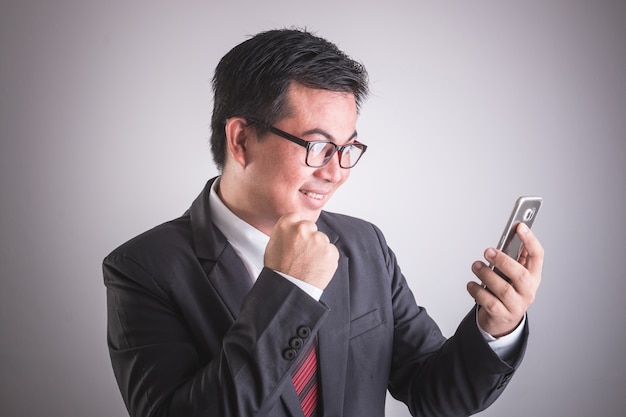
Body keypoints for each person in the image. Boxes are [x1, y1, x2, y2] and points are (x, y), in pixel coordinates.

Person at [103, 28, 544, 417]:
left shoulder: (363, 243)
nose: (336, 171)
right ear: (240, 140)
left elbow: (434, 393)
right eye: (316, 146)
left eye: (348, 148)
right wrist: (291, 290)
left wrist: (497, 328)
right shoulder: (144, 269)